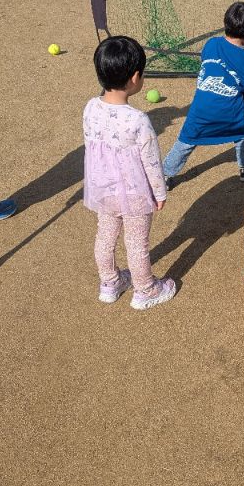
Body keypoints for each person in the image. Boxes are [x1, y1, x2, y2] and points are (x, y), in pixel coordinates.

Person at [83, 35, 176, 310]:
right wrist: (159, 192)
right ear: (136, 78)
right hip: (134, 193)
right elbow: (151, 162)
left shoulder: (90, 107)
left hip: (103, 188)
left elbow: (92, 146)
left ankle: (110, 283)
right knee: (137, 242)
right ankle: (145, 289)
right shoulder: (138, 120)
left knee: (106, 235)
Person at [163, 1, 244, 187]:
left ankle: (164, 175)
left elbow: (208, 65)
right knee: (242, 132)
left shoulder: (211, 44)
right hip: (230, 114)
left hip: (201, 111)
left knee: (186, 140)